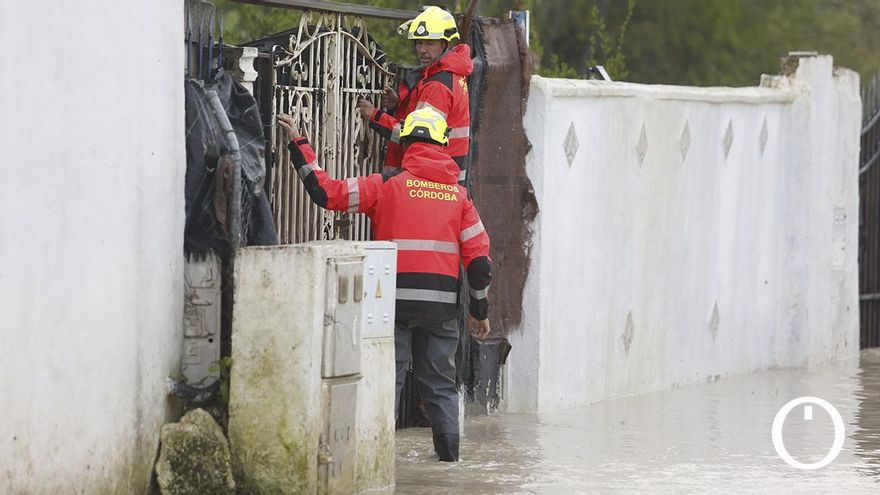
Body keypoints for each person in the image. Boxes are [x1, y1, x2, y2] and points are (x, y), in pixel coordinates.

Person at [277, 108, 491, 462]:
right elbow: (480, 265)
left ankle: (374, 462)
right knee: (440, 385)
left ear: (406, 143)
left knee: (386, 380)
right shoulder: (459, 197)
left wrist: (299, 142)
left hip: (391, 306)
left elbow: (325, 193)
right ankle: (450, 464)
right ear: (442, 147)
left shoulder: (385, 185)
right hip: (441, 311)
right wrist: (478, 310)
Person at [357, 6, 473, 186]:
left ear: (446, 44)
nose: (422, 50)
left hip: (433, 180)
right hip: (445, 177)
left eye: (430, 43)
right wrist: (399, 105)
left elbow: (416, 135)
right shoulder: (449, 74)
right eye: (419, 42)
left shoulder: (437, 85)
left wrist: (375, 116)